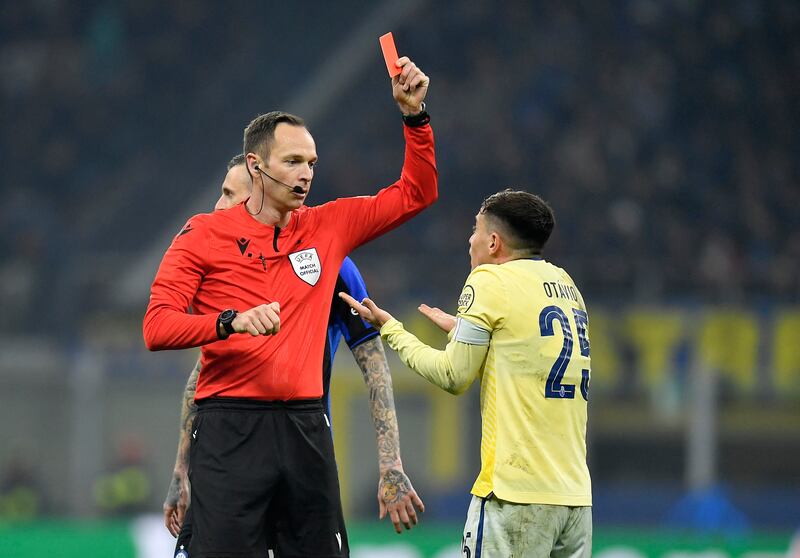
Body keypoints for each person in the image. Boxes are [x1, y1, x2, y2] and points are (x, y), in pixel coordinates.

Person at [143, 56, 434, 557]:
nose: (306, 175)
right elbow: (156, 327)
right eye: (293, 162)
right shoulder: (202, 235)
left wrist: (414, 117)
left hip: (304, 428)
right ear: (256, 165)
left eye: (312, 164)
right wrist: (228, 322)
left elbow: (416, 194)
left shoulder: (327, 227)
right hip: (230, 428)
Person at [341, 190, 593, 557]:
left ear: (494, 242)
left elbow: (453, 375)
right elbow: (525, 349)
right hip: (574, 501)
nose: (469, 240)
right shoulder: (565, 285)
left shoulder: (490, 280)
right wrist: (464, 330)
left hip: (514, 497)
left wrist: (391, 328)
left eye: (475, 230)